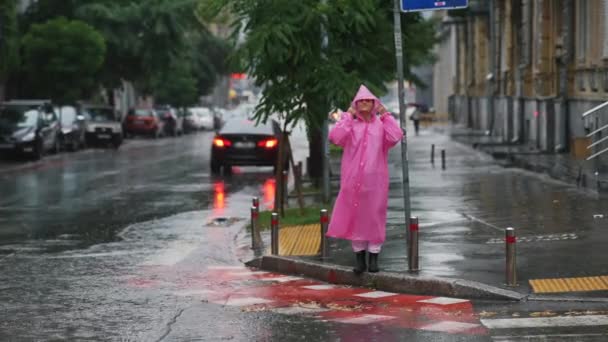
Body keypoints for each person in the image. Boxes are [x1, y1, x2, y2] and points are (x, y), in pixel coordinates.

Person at [326, 85, 404, 274]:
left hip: (376, 181)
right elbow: (335, 137)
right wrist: (347, 116)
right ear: (355, 104)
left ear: (374, 103)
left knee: (375, 218)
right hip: (352, 181)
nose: (364, 104)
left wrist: (385, 115)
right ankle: (360, 260)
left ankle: (374, 258)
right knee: (356, 218)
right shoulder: (351, 124)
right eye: (360, 101)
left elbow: (395, 136)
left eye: (368, 100)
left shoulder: (381, 124)